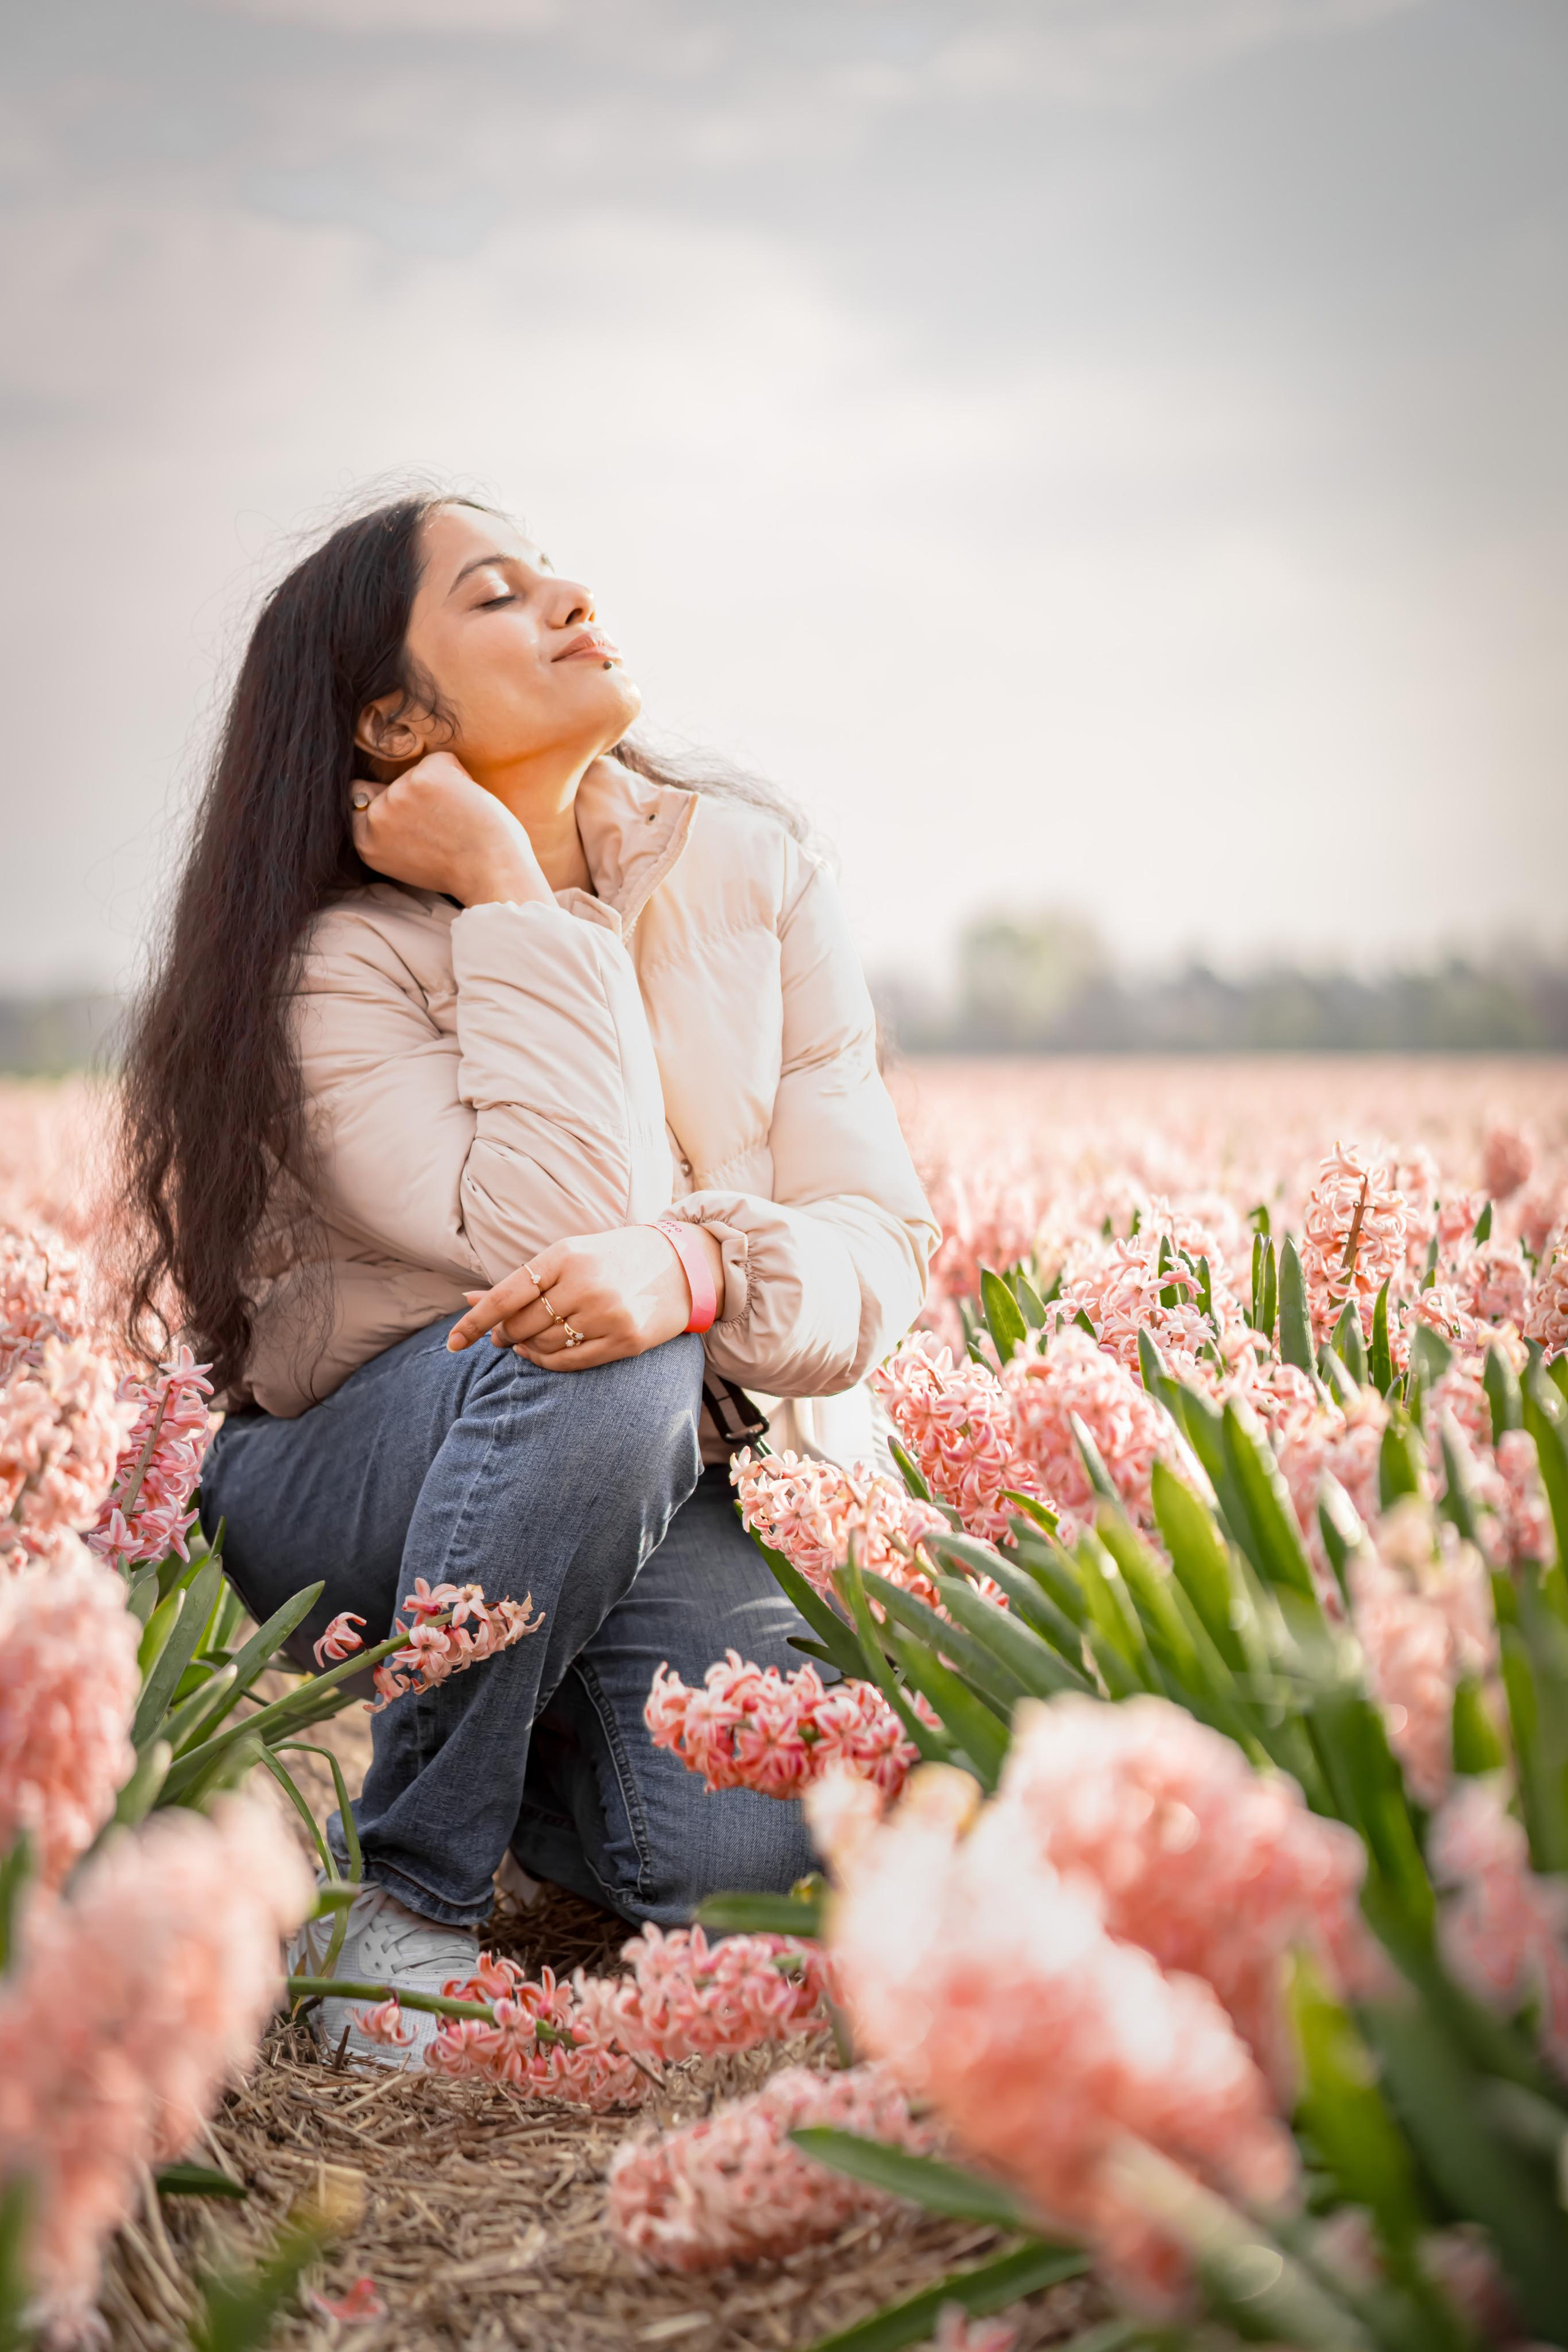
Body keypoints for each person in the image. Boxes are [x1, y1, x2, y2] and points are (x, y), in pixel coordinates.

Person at [120, 489, 937, 2057]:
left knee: (750, 1874)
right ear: (389, 720)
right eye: (497, 597)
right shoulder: (332, 959)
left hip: (667, 1465)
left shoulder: (751, 873)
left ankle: (551, 1713)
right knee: (599, 1350)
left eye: (552, 570)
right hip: (366, 1469)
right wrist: (508, 889)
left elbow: (878, 1243)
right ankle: (404, 1898)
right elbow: (551, 1240)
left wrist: (697, 1264)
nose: (567, 595)